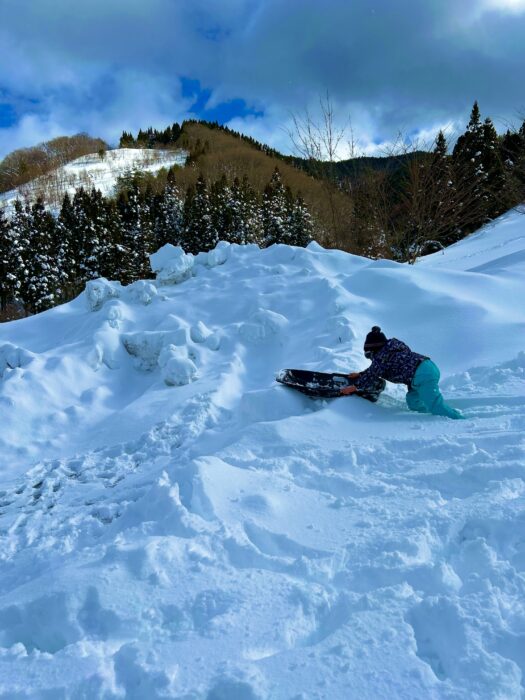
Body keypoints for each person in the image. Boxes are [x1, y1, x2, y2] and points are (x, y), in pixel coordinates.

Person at [341, 326, 464, 419]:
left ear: (374, 349)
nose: (370, 358)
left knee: (436, 405)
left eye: (368, 355)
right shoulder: (389, 350)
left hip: (423, 375)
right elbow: (375, 369)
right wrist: (361, 374)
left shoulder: (382, 356)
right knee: (413, 402)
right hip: (422, 371)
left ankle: (460, 422)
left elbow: (373, 373)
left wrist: (354, 387)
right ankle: (430, 416)